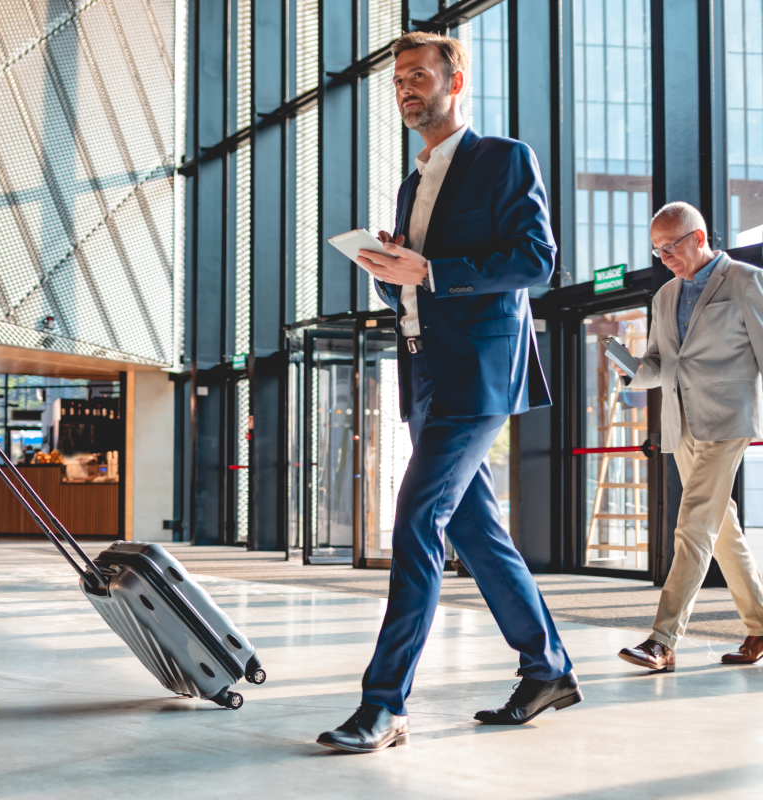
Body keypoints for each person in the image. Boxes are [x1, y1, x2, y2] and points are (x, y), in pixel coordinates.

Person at [316, 32, 579, 754]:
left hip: (479, 373)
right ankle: (548, 667)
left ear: (454, 83)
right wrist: (386, 265)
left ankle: (385, 705)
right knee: (476, 534)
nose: (407, 87)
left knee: (414, 523)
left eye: (419, 75)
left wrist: (429, 270)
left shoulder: (503, 159)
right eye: (399, 78)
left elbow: (535, 260)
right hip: (426, 371)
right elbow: (416, 281)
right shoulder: (412, 182)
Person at [615, 202, 763, 671]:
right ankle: (760, 626)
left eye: (670, 247)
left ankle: (663, 640)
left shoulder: (744, 280)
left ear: (699, 238)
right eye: (657, 251)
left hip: (727, 421)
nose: (664, 258)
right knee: (723, 532)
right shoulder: (663, 297)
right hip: (681, 425)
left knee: (694, 524)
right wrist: (631, 370)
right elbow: (661, 365)